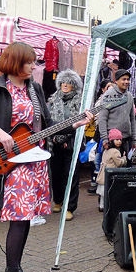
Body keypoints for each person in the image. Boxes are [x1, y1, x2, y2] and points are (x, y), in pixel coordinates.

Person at [0, 42, 91, 272]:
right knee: (19, 219)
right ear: (14, 62)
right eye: (29, 63)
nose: (34, 67)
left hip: (35, 162)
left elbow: (45, 126)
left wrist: (75, 123)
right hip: (12, 164)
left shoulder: (34, 89)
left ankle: (16, 269)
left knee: (26, 220)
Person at [47, 69, 83, 221]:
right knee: (56, 174)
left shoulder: (80, 101)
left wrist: (66, 137)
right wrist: (54, 138)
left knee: (70, 175)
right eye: (63, 82)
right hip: (55, 142)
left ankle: (70, 207)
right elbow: (48, 121)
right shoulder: (53, 100)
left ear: (74, 85)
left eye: (69, 82)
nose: (65, 85)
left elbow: (80, 123)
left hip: (71, 142)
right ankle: (59, 200)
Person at [97, 69, 136, 156]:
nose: (126, 82)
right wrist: (104, 139)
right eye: (123, 79)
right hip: (112, 140)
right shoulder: (108, 96)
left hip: (126, 139)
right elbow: (102, 119)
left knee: (126, 166)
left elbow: (132, 119)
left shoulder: (129, 96)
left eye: (128, 79)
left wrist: (134, 139)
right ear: (116, 81)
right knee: (112, 166)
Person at [88, 80, 114, 193]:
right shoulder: (100, 101)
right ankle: (98, 182)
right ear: (103, 89)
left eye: (112, 87)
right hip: (100, 131)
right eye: (108, 87)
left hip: (112, 132)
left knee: (107, 158)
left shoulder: (117, 100)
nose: (110, 89)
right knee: (98, 157)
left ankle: (105, 185)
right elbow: (96, 116)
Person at [97, 129, 127, 212]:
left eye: (120, 139)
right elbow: (119, 163)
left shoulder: (106, 150)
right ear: (112, 140)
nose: (119, 142)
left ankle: (101, 206)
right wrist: (124, 158)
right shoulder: (115, 152)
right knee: (110, 192)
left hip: (103, 174)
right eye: (117, 140)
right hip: (111, 175)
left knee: (103, 193)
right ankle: (109, 206)